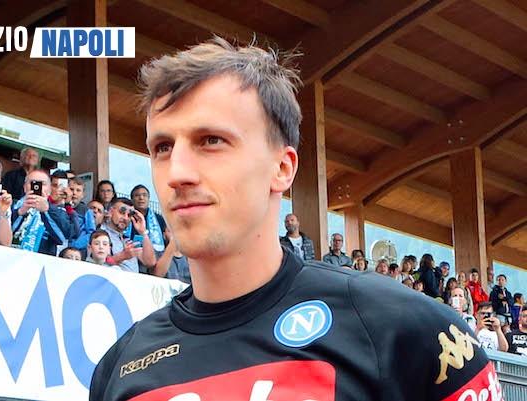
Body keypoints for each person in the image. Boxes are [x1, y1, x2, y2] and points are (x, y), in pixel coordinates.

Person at [90, 37, 498, 401]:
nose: (177, 173)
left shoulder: (405, 330)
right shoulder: (120, 368)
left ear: (282, 168)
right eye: (162, 147)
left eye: (211, 141)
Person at [11, 169, 71, 255]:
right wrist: (20, 212)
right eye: (33, 182)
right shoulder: (12, 205)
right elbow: (2, 234)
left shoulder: (58, 211)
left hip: (41, 260)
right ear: (24, 187)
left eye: (42, 184)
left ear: (49, 190)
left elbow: (62, 239)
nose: (37, 186)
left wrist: (46, 211)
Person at [99, 197, 156, 272]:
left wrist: (143, 232)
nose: (126, 218)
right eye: (122, 212)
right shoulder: (99, 234)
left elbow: (150, 262)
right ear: (110, 212)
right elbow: (99, 262)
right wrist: (122, 256)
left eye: (129, 215)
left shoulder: (128, 240)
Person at [129, 184, 168, 260]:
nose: (141, 198)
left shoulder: (158, 218)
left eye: (144, 195)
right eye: (137, 195)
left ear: (148, 198)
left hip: (156, 257)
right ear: (132, 200)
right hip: (132, 257)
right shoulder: (127, 217)